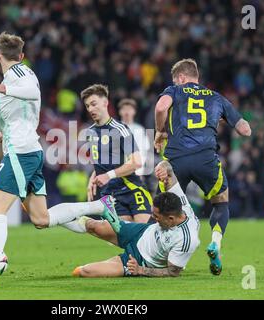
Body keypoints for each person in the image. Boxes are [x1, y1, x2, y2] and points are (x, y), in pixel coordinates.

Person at [0, 32, 118, 285]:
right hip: (25, 148)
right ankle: (100, 206)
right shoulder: (16, 75)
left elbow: (32, 92)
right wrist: (4, 134)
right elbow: (24, 114)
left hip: (21, 153)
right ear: (21, 54)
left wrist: (2, 88)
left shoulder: (20, 74)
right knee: (41, 219)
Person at [154, 58, 252, 275]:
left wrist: (160, 131)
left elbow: (161, 106)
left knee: (163, 208)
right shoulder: (216, 97)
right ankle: (216, 242)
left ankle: (164, 256)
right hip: (206, 159)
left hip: (176, 160)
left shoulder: (174, 90)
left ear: (181, 78)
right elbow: (245, 130)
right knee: (221, 203)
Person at [71, 161, 200, 277]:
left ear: (171, 218)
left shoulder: (187, 239)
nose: (153, 218)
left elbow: (172, 272)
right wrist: (163, 167)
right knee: (93, 226)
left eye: (156, 217)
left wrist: (141, 270)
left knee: (84, 271)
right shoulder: (180, 203)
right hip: (140, 232)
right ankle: (56, 218)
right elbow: (170, 171)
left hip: (140, 259)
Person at [82, 85, 153, 223]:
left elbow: (136, 162)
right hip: (110, 193)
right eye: (87, 106)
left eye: (93, 104)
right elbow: (103, 162)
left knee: (146, 233)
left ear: (105, 103)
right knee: (124, 238)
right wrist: (93, 177)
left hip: (130, 187)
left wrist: (108, 175)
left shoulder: (120, 129)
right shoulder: (90, 132)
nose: (90, 109)